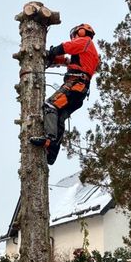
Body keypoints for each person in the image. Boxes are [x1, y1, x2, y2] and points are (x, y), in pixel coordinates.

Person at [30, 23, 99, 165]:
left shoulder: (85, 41)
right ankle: (52, 152)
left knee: (50, 105)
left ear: (81, 32)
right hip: (80, 91)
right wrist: (56, 60)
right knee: (60, 117)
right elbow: (69, 61)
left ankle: (49, 139)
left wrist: (52, 51)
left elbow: (66, 47)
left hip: (75, 85)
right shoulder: (88, 51)